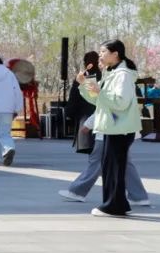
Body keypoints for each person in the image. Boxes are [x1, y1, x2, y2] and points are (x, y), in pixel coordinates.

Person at [60, 51, 151, 206]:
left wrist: (88, 124)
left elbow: (107, 105)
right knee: (124, 163)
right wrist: (83, 83)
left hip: (111, 129)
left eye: (102, 58)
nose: (99, 62)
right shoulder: (116, 77)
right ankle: (138, 196)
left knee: (97, 161)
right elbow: (99, 101)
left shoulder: (117, 79)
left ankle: (78, 191)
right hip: (119, 129)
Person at [77, 39, 142, 217]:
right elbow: (97, 100)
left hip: (120, 128)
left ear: (115, 54)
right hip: (112, 127)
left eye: (103, 51)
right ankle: (117, 204)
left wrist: (100, 91)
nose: (100, 55)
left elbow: (120, 102)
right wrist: (83, 84)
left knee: (114, 168)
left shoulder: (123, 75)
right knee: (111, 167)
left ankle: (113, 206)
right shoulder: (111, 72)